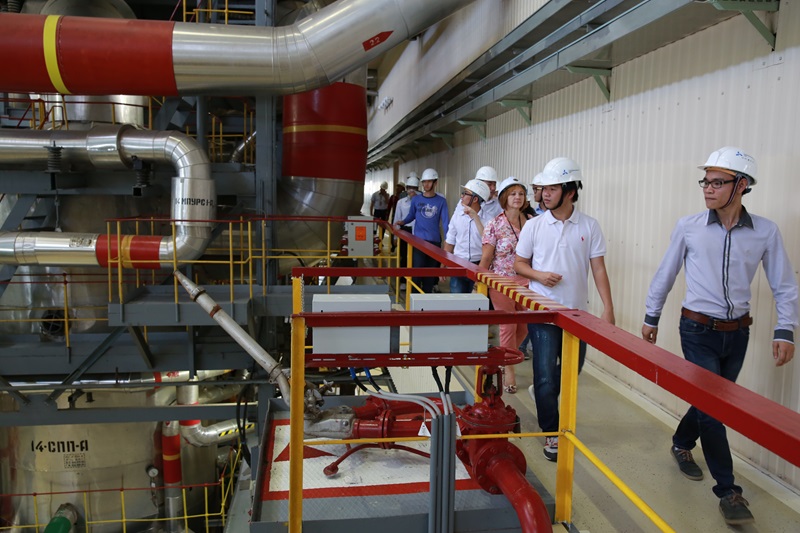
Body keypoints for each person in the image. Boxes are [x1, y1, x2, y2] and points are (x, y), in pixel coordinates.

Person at [641, 147, 798, 526]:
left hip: (738, 333)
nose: (707, 189)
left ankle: (681, 443)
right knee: (714, 410)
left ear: (741, 185)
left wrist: (785, 329)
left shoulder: (765, 231)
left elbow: (784, 284)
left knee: (710, 403)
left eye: (717, 182)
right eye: (705, 181)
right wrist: (651, 315)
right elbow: (666, 272)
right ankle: (728, 491)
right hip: (696, 329)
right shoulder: (689, 226)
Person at [514, 157, 615, 462]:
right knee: (545, 376)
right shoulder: (534, 226)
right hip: (542, 313)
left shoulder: (589, 226)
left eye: (552, 188)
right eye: (544, 188)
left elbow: (598, 269)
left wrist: (608, 309)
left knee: (571, 372)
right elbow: (519, 264)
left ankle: (542, 393)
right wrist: (539, 275)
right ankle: (551, 432)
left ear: (570, 192)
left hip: (576, 315)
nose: (544, 194)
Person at [479, 176, 533, 393]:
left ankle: (503, 358)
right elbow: (486, 258)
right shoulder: (494, 224)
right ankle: (509, 371)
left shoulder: (531, 222)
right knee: (508, 326)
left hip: (526, 281)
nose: (517, 197)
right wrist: (480, 283)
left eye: (521, 194)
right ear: (504, 198)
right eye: (513, 194)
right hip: (501, 281)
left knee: (524, 327)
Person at [395, 168, 450, 293]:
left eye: (429, 182)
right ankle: (414, 300)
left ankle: (426, 300)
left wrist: (448, 242)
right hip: (418, 242)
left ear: (435, 183)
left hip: (434, 242)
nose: (426, 184)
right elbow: (411, 215)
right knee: (417, 273)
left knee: (429, 275)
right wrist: (403, 222)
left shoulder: (441, 201)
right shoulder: (416, 200)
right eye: (424, 182)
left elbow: (446, 222)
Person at [444, 179, 491, 293]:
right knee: (457, 301)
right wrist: (444, 265)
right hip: (458, 264)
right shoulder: (457, 216)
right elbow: (450, 241)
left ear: (475, 199)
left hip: (479, 266)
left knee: (476, 302)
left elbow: (488, 242)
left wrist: (476, 217)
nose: (462, 196)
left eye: (465, 193)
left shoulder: (489, 220)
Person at [393, 175, 419, 273]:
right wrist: (395, 237)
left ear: (417, 189)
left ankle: (415, 278)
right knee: (404, 256)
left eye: (414, 188)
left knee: (416, 257)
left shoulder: (422, 202)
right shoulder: (401, 202)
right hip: (405, 231)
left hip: (418, 232)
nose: (411, 190)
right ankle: (403, 279)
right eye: (409, 187)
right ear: (406, 188)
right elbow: (397, 218)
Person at [388, 182, 405, 252]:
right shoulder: (393, 197)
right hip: (395, 216)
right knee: (394, 230)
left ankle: (401, 247)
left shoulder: (404, 198)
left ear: (403, 189)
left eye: (399, 187)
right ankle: (393, 245)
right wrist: (386, 217)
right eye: (397, 187)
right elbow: (389, 207)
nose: (397, 188)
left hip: (403, 218)